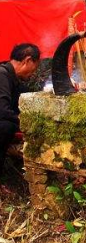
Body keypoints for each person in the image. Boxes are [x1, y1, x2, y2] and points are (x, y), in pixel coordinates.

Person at [0, 44, 40, 176]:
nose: (33, 72)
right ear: (27, 60)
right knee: (7, 127)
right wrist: (25, 123)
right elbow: (3, 110)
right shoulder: (2, 75)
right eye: (35, 67)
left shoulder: (13, 79)